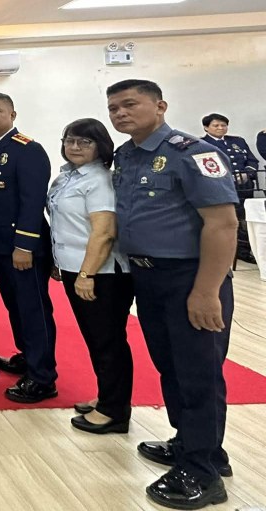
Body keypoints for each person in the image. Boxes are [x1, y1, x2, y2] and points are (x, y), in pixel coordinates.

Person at [108, 79, 237, 509]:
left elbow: (223, 224)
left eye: (130, 104)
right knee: (172, 368)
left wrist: (207, 291)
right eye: (114, 108)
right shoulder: (126, 155)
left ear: (160, 106)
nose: (120, 113)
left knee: (199, 374)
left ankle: (203, 473)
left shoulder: (194, 153)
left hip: (190, 277)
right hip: (149, 278)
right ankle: (193, 445)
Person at [47, 118, 135, 434]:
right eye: (69, 140)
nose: (75, 147)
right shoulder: (68, 177)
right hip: (77, 268)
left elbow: (104, 232)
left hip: (102, 273)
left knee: (108, 340)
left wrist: (87, 273)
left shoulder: (100, 180)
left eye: (84, 142)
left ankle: (115, 411)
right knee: (96, 339)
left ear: (101, 146)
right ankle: (107, 397)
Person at [0, 93, 58, 403]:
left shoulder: (27, 149)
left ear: (12, 114)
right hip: (1, 245)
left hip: (24, 247)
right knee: (16, 306)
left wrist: (24, 245)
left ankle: (43, 377)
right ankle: (27, 357)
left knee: (33, 310)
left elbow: (32, 202)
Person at [201, 113, 259, 263]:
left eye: (223, 125)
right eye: (216, 125)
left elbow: (252, 160)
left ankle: (248, 250)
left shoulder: (237, 141)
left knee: (246, 217)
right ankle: (235, 251)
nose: (220, 128)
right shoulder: (201, 144)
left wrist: (248, 173)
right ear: (206, 128)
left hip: (244, 186)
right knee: (229, 219)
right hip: (222, 187)